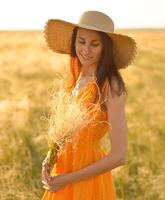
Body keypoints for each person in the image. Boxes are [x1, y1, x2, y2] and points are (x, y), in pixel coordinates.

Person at [41, 10, 137, 200]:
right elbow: (67, 133)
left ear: (105, 48)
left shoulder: (110, 85)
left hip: (86, 180)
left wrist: (69, 179)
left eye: (95, 44)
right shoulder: (76, 80)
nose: (86, 49)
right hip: (62, 172)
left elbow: (119, 155)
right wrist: (49, 159)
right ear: (74, 42)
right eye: (81, 41)